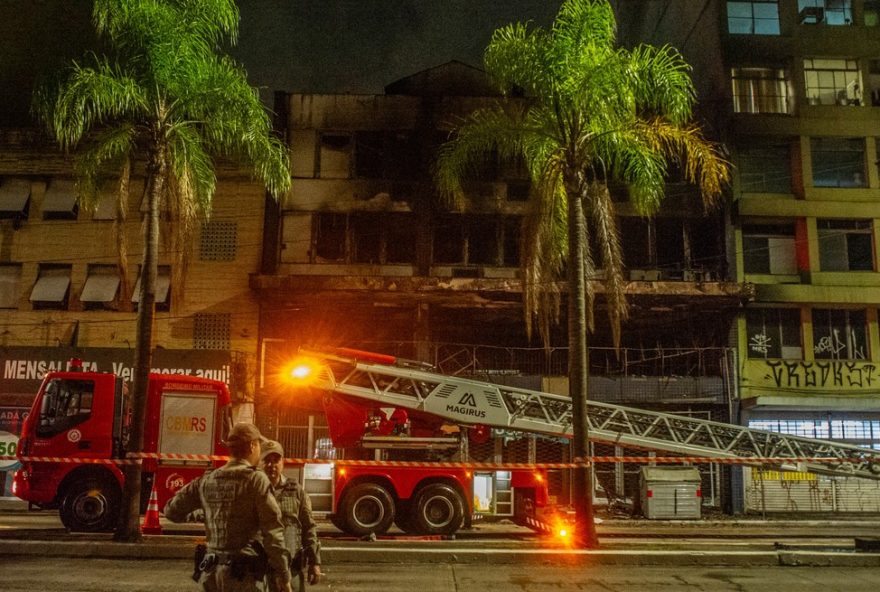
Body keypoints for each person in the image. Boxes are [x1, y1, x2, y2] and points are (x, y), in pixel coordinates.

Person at [164, 423, 293, 592]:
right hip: (242, 575)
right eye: (258, 446)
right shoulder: (255, 480)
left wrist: (203, 512)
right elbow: (273, 532)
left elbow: (171, 511)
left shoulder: (207, 479)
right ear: (252, 446)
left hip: (212, 574)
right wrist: (283, 574)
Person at [259, 440, 323, 592]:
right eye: (267, 460)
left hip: (291, 568)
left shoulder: (296, 491)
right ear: (259, 464)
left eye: (276, 460)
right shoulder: (254, 492)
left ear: (283, 462)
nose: (271, 465)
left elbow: (308, 527)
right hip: (260, 570)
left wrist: (314, 562)